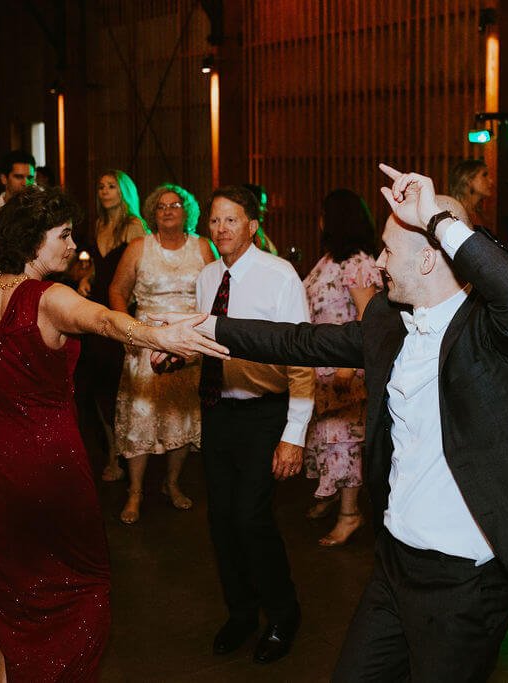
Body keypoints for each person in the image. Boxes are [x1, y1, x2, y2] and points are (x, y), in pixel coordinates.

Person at [161, 167, 508, 679]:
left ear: (427, 257)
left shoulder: (498, 334)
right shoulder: (387, 322)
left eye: (389, 252)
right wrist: (204, 327)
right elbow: (298, 342)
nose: (377, 263)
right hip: (395, 563)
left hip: (467, 579)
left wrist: (436, 217)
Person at [0, 185, 225, 681]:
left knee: (8, 590)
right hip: (48, 459)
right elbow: (102, 319)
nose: (72, 246)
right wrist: (160, 335)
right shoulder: (50, 297)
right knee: (78, 586)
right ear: (33, 241)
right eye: (64, 235)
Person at [159, 185, 314, 665]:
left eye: (232, 220)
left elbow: (303, 362)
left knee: (251, 518)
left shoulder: (280, 275)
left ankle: (283, 614)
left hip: (264, 415)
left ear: (252, 224)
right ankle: (243, 613)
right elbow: (211, 345)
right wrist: (174, 357)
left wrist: (293, 436)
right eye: (215, 220)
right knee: (222, 521)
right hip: (218, 413)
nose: (221, 229)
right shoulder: (207, 277)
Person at [109, 183, 215, 523]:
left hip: (188, 344)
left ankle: (172, 483)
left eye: (175, 205)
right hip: (147, 342)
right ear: (153, 213)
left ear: (187, 212)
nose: (168, 210)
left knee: (179, 416)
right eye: (161, 207)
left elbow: (216, 293)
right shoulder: (139, 246)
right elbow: (116, 290)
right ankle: (135, 491)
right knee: (141, 418)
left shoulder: (203, 246)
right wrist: (127, 329)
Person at [300, 189, 380, 546]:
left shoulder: (359, 263)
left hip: (345, 367)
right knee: (325, 437)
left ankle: (351, 514)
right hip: (321, 364)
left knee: (344, 441)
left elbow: (368, 318)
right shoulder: (329, 259)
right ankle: (329, 494)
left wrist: (349, 367)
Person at [77, 169, 148, 483]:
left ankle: (126, 455)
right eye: (101, 186)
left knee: (120, 385)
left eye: (111, 186)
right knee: (97, 385)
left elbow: (140, 272)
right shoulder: (97, 225)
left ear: (124, 192)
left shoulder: (134, 226)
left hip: (122, 308)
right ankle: (112, 453)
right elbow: (93, 266)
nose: (104, 191)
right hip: (95, 309)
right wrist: (83, 279)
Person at [447, 158, 493, 232]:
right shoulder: (454, 214)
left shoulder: (479, 214)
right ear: (468, 180)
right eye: (484, 175)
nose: (491, 181)